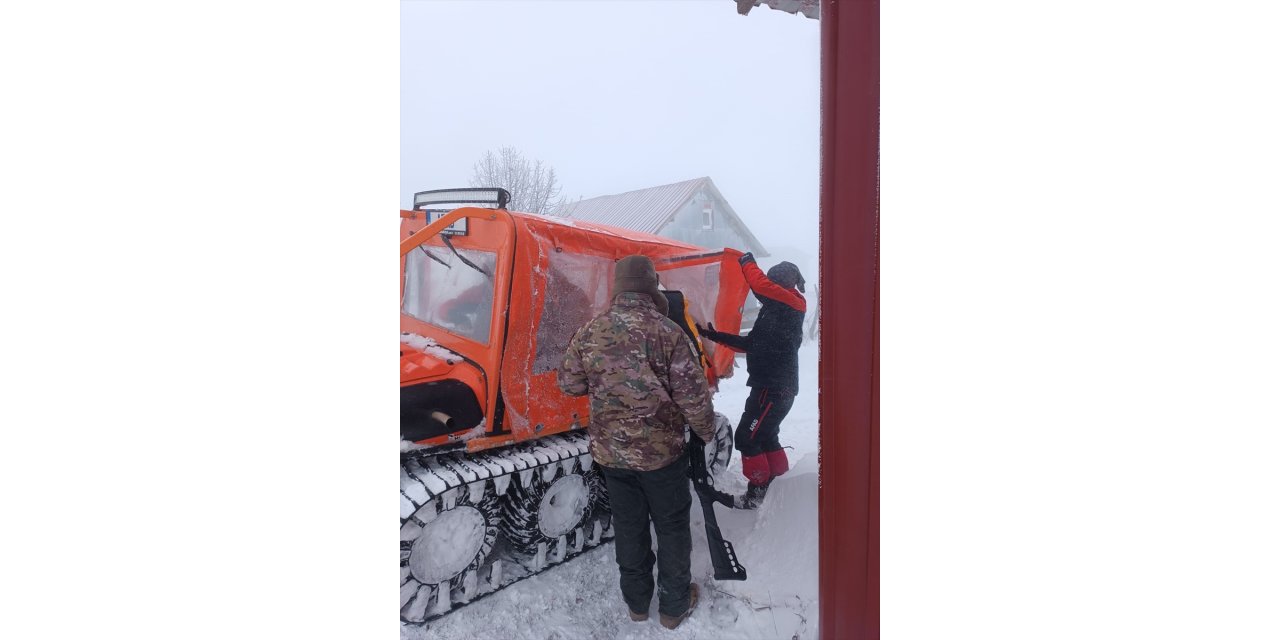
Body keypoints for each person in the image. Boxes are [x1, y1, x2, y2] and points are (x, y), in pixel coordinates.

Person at [559, 254, 716, 630]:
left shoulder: (590, 331)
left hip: (612, 456)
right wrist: (706, 433)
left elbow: (569, 384)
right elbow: (694, 397)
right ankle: (674, 607)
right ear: (650, 287)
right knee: (672, 526)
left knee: (629, 528)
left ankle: (637, 604)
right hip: (662, 458)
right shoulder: (667, 332)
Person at [698, 252, 806, 509]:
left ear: (780, 286)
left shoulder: (791, 303)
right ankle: (780, 487)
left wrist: (746, 261)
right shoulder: (775, 312)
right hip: (770, 387)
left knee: (747, 438)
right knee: (766, 436)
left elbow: (760, 285)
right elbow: (752, 344)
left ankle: (756, 495)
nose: (766, 292)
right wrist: (714, 336)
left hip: (774, 389)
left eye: (772, 284)